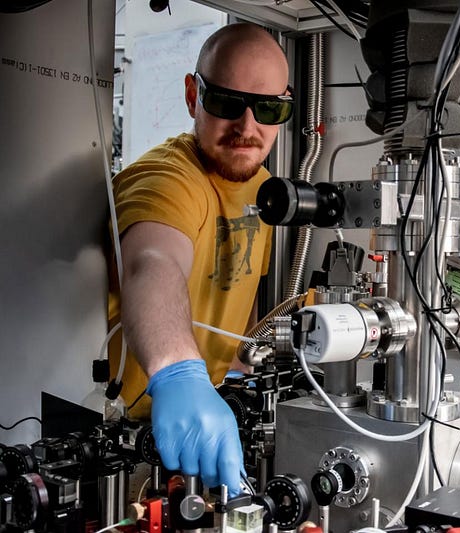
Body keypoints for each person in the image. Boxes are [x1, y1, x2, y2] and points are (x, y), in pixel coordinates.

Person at [107, 23, 292, 494]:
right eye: (228, 103)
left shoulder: (261, 189)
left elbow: (238, 318)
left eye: (268, 108)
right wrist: (178, 372)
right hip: (123, 441)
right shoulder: (166, 179)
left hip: (206, 433)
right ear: (193, 96)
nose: (248, 128)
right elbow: (153, 262)